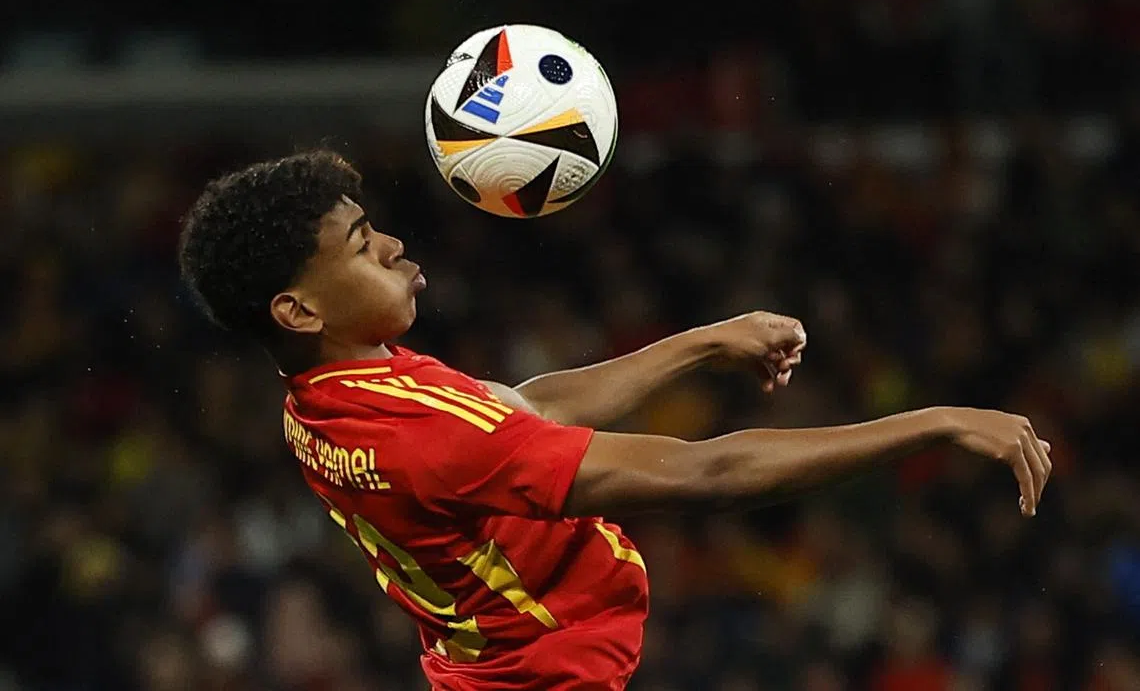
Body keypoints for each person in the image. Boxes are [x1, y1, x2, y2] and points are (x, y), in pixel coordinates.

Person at [178, 150, 1052, 690]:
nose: (396, 246)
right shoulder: (416, 433)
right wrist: (933, 422)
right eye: (364, 244)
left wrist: (704, 344)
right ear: (296, 310)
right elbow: (704, 476)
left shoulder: (332, 393)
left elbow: (525, 407)